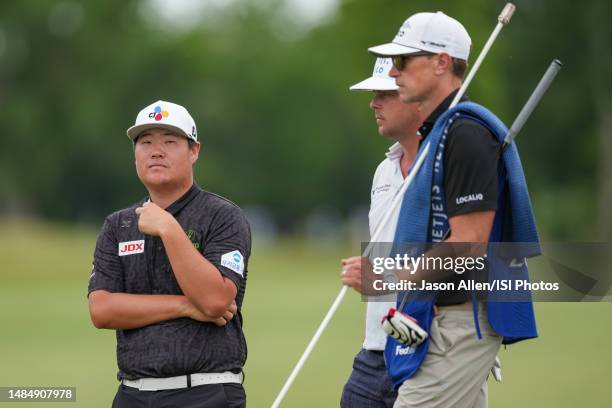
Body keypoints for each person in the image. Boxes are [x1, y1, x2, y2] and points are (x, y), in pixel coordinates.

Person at [364, 11, 539, 408]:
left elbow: (470, 243)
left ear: (442, 62)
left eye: (404, 61)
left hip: (462, 319)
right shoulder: (442, 133)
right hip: (441, 315)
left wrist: (396, 274)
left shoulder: (465, 135)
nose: (393, 73)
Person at [88, 100, 251, 408]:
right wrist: (184, 305)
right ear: (135, 154)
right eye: (146, 142)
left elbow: (216, 300)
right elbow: (102, 309)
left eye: (170, 142)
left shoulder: (223, 216)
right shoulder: (118, 225)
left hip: (207, 392)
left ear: (194, 151)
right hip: (132, 393)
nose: (156, 151)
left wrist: (169, 229)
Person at [339, 58, 426, 407]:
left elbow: (467, 258)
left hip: (430, 348)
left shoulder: (448, 161)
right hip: (377, 346)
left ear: (416, 95)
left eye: (385, 94)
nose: (374, 103)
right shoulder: (383, 169)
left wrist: (384, 279)